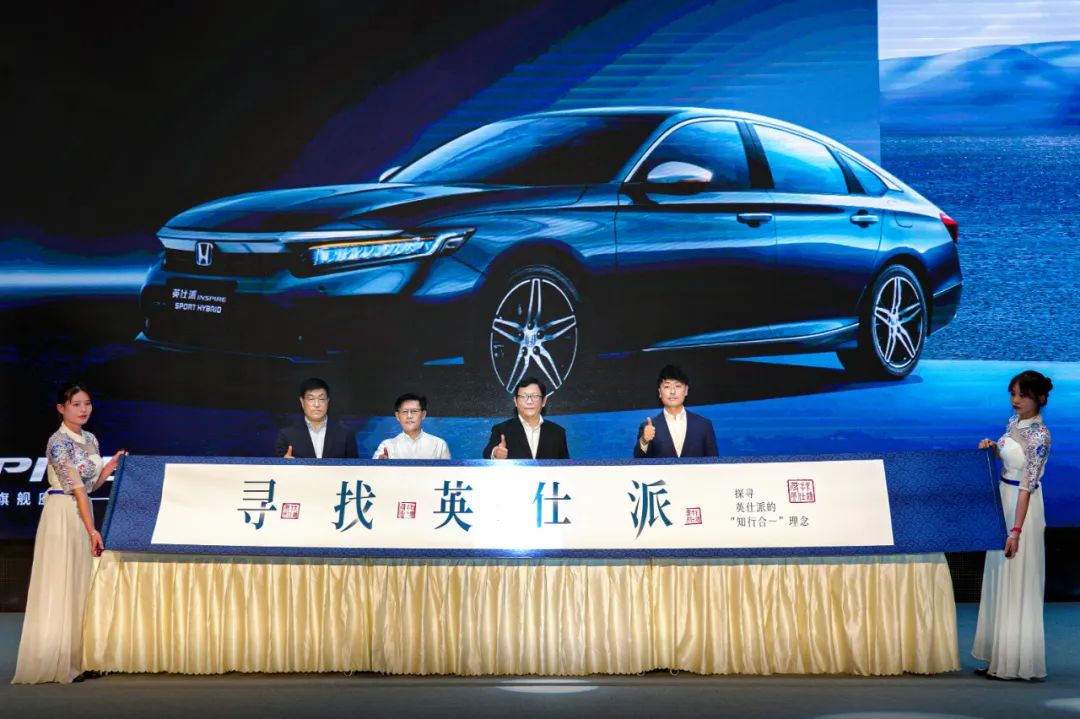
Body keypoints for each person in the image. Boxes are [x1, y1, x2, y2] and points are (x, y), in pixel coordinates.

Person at [13, 383, 125, 684]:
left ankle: (79, 658)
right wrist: (92, 530)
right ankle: (58, 661)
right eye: (76, 404)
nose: (83, 409)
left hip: (82, 510)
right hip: (62, 513)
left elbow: (90, 487)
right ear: (61, 408)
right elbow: (76, 489)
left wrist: (110, 466)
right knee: (61, 581)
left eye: (87, 403)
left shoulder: (90, 439)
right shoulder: (58, 443)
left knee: (79, 583)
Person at [973, 369, 1053, 681]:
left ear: (1040, 398)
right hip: (1003, 500)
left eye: (1023, 395)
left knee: (1016, 577)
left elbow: (1027, 486)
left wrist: (1016, 532)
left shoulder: (1040, 436)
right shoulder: (1013, 423)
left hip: (1023, 508)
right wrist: (993, 448)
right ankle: (999, 656)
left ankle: (1015, 662)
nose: (1016, 400)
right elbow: (1009, 461)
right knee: (999, 576)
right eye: (1013, 394)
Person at [634, 364, 718, 458]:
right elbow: (638, 461)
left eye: (677, 386)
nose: (672, 392)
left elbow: (714, 463)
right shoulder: (648, 428)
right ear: (660, 392)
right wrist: (644, 441)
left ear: (686, 390)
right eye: (667, 386)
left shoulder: (704, 425)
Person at [483, 377, 569, 459]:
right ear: (515, 401)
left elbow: (565, 466)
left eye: (535, 396)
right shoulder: (501, 430)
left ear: (544, 401)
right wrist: (495, 453)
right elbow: (487, 453)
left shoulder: (558, 433)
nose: (529, 401)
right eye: (523, 396)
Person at [274, 378, 359, 459]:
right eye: (311, 399)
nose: (316, 404)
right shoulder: (287, 435)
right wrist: (283, 463)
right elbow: (274, 467)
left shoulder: (345, 435)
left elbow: (355, 467)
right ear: (302, 402)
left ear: (327, 401)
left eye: (321, 399)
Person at [372, 393, 451, 460]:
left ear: (423, 414)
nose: (409, 416)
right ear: (397, 416)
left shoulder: (439, 445)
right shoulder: (387, 446)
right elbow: (372, 471)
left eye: (414, 411)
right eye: (405, 411)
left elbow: (448, 472)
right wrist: (381, 464)